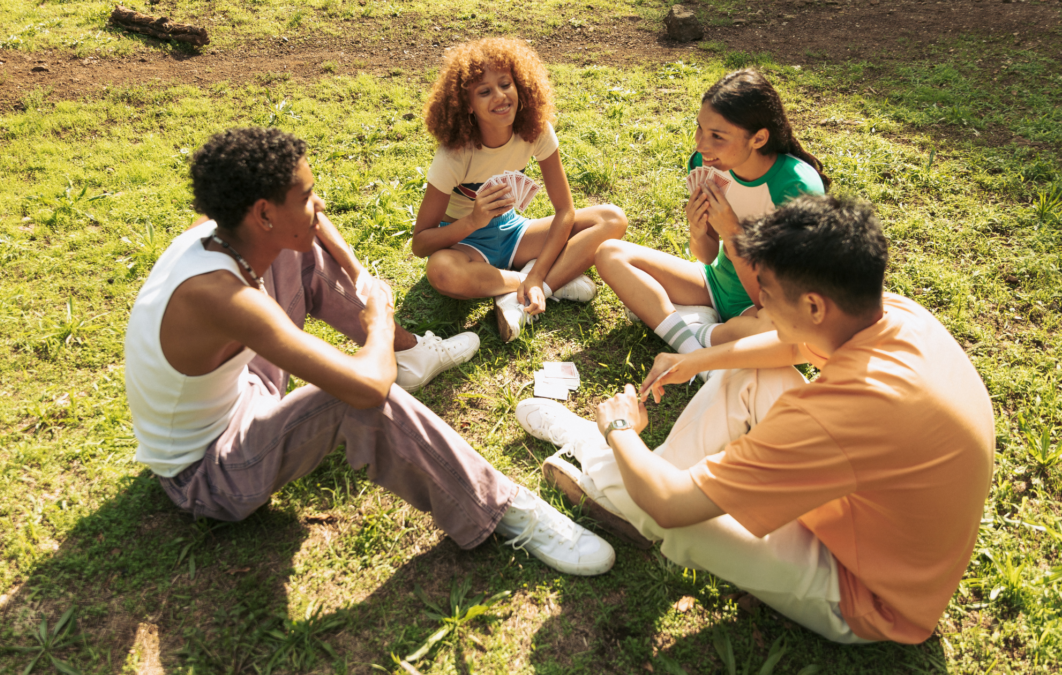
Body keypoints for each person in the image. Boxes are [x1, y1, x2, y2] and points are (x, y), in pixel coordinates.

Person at [124, 127, 615, 576]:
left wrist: (360, 277)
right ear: (264, 213)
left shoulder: (224, 230)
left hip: (244, 391)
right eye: (308, 196)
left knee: (305, 253)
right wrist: (377, 320)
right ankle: (504, 510)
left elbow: (316, 229)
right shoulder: (221, 297)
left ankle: (411, 355)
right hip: (211, 472)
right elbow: (365, 388)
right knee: (358, 399)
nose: (318, 205)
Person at [515, 195, 994, 642]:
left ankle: (595, 455)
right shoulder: (895, 315)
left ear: (812, 305)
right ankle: (626, 483)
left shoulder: (837, 414)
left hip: (866, 598)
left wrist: (618, 429)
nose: (758, 304)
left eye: (766, 292)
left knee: (670, 514)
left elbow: (670, 504)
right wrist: (696, 361)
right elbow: (793, 344)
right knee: (745, 369)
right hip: (871, 523)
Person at [595, 69, 828, 356]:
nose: (701, 145)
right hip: (712, 284)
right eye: (700, 129)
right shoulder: (706, 166)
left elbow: (772, 302)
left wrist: (733, 234)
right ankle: (691, 343)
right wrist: (697, 228)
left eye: (717, 136)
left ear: (758, 138)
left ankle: (689, 327)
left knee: (783, 333)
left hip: (763, 305)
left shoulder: (797, 187)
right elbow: (705, 256)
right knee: (610, 253)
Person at [413, 37, 627, 342]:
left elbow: (565, 210)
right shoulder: (454, 155)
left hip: (514, 232)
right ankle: (538, 282)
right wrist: (473, 221)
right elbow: (420, 244)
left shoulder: (535, 130)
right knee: (441, 271)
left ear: (520, 86)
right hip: (464, 243)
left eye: (505, 84)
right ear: (467, 106)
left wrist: (539, 276)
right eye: (484, 92)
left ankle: (537, 286)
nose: (500, 97)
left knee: (611, 219)